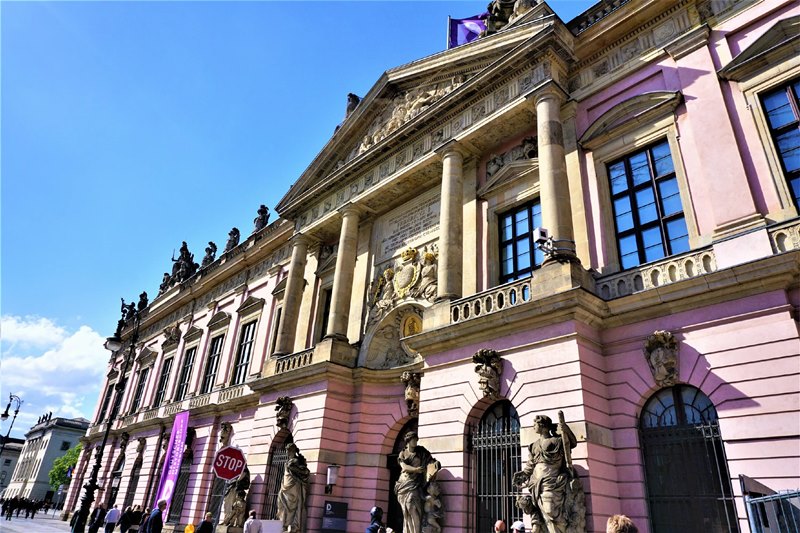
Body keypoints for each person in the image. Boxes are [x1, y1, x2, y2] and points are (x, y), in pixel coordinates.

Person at [513, 415, 578, 533]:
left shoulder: (557, 441)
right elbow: (531, 465)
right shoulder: (534, 445)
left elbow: (572, 443)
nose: (533, 426)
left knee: (550, 511)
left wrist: (566, 429)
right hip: (536, 483)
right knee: (540, 513)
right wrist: (522, 475)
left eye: (535, 424)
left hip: (552, 482)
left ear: (542, 426)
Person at [395, 431, 435, 533]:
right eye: (413, 440)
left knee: (412, 507)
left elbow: (430, 460)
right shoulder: (403, 453)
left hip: (415, 484)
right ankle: (408, 530)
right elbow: (404, 467)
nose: (415, 442)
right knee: (406, 510)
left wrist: (435, 465)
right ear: (408, 441)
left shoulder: (421, 451)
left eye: (416, 440)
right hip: (403, 484)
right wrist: (416, 469)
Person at [276, 443, 310, 532]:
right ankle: (283, 524)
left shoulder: (295, 461)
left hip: (293, 485)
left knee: (292, 505)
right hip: (286, 486)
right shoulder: (290, 462)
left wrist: (292, 468)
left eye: (288, 450)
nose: (287, 452)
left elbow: (305, 472)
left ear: (292, 451)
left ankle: (290, 525)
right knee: (283, 505)